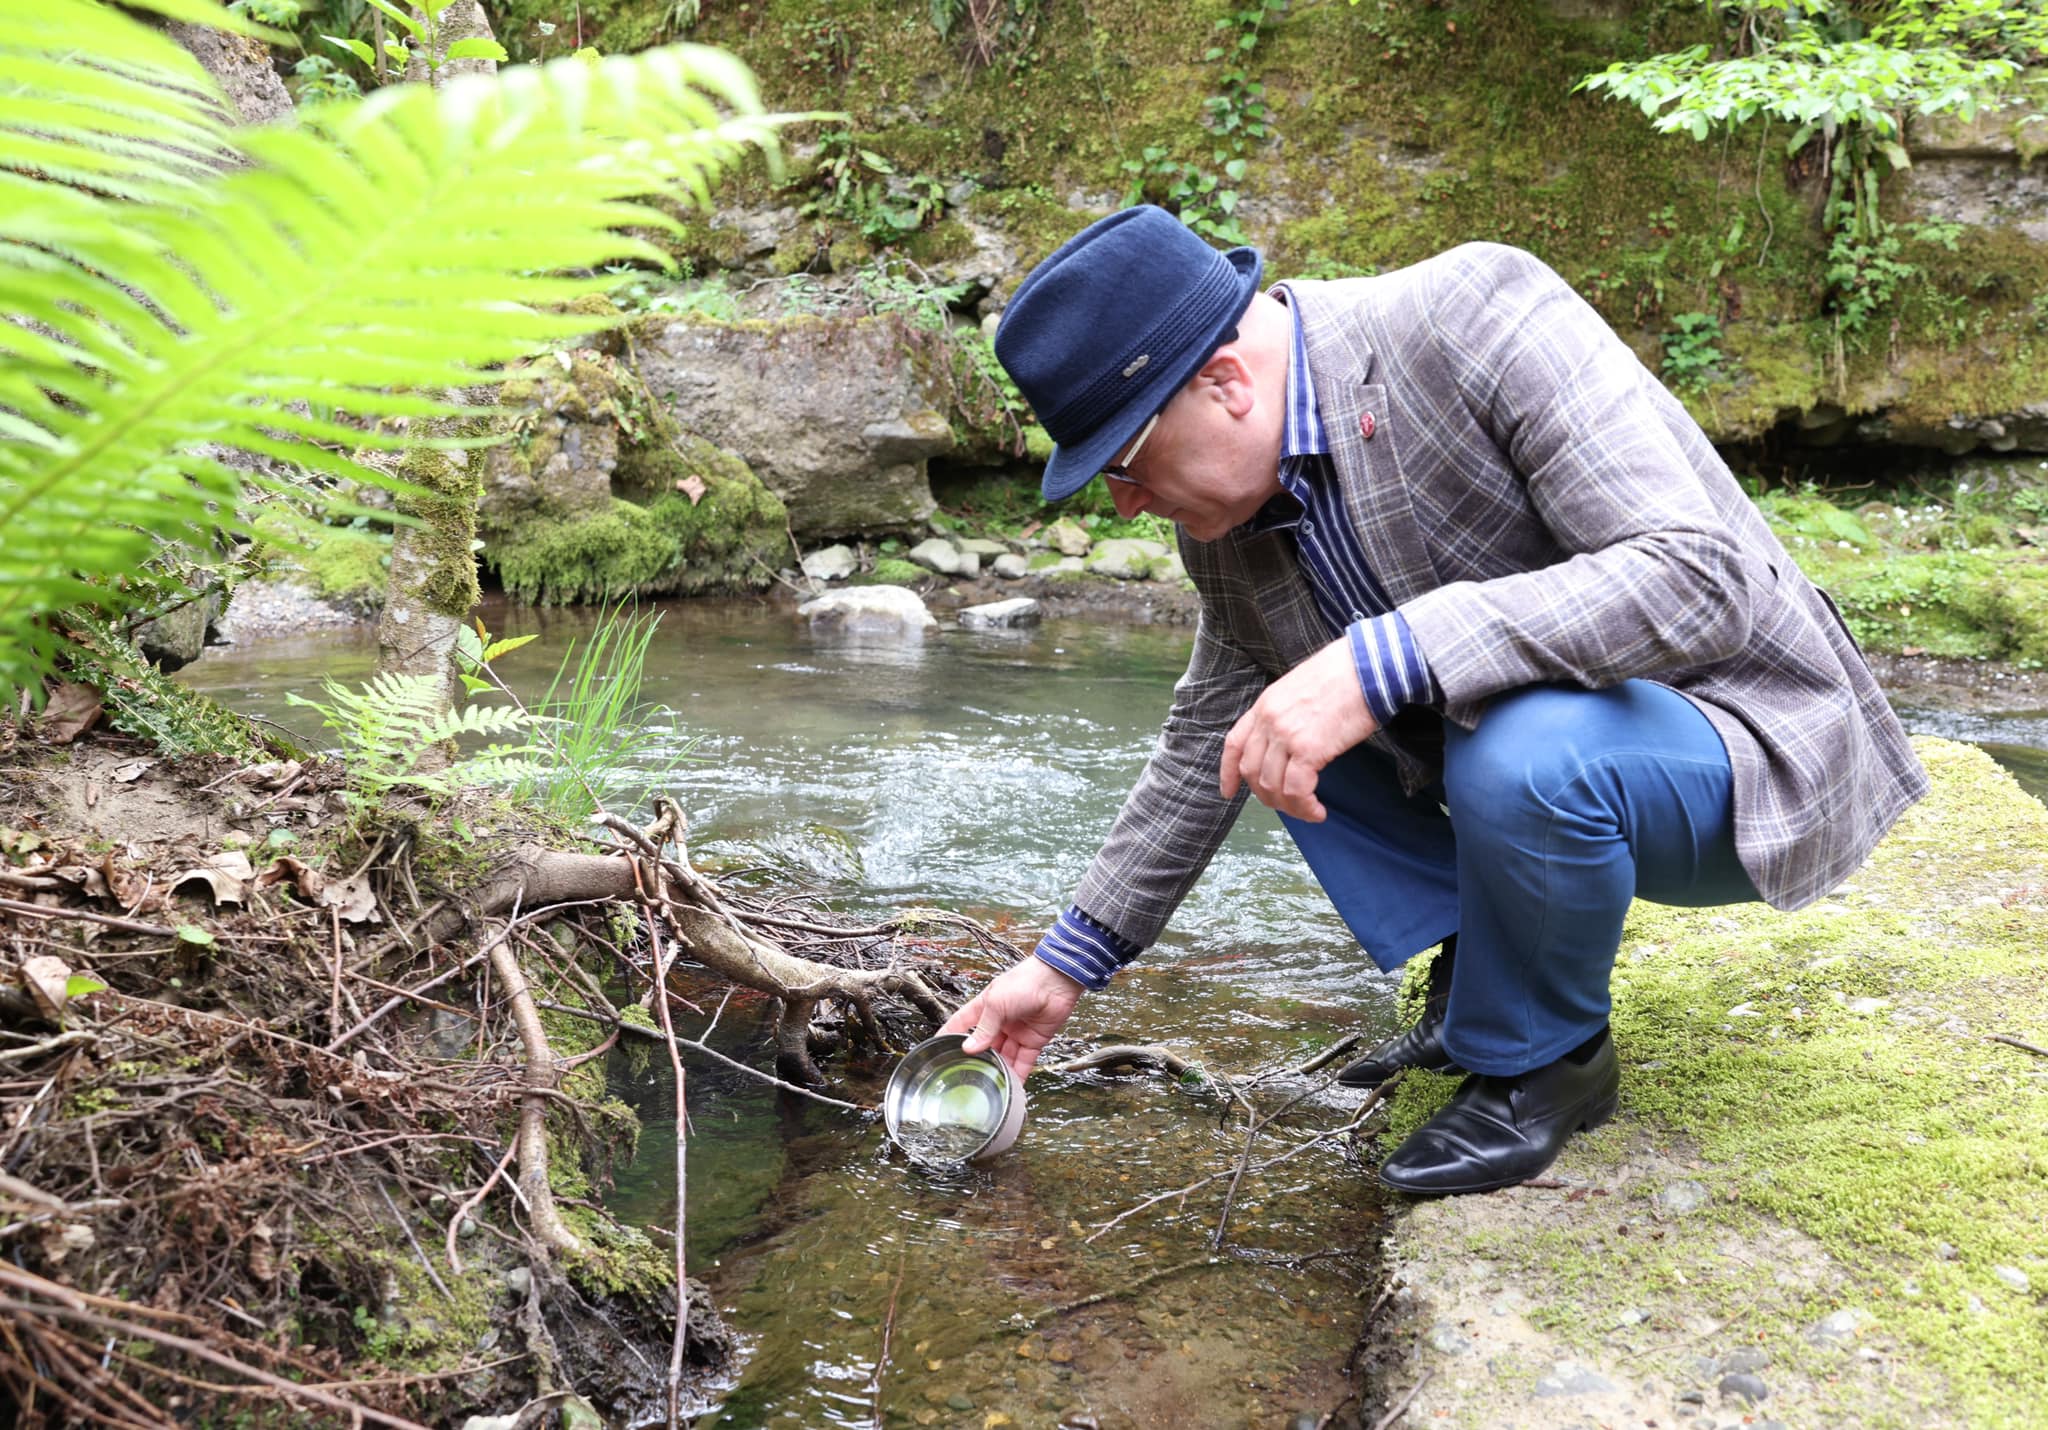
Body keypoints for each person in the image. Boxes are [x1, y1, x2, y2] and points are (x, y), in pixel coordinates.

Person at [937, 205, 1927, 1196]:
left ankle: (1548, 1058)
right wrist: (1065, 963)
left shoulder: (1473, 313)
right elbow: (1206, 741)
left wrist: (1384, 658)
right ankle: (1480, 974)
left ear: (1226, 383)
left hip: (1738, 742)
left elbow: (1697, 577)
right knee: (1270, 727)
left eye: (1123, 461)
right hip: (1558, 755)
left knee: (1510, 741)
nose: (1124, 502)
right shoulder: (1227, 524)